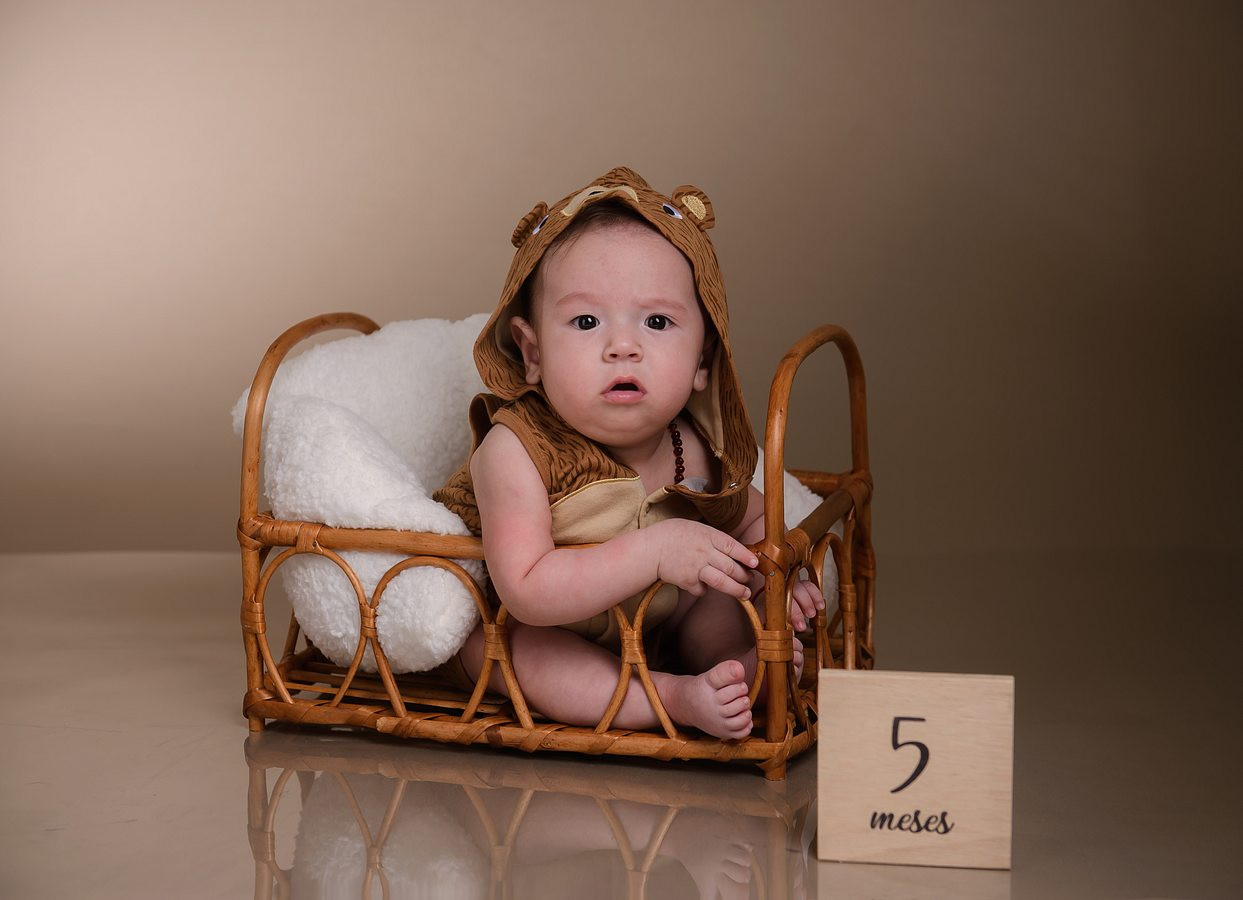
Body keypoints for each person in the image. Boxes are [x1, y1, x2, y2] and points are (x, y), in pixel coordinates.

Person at [435, 167, 822, 739]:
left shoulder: (692, 447)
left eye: (657, 321)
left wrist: (777, 577)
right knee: (520, 648)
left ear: (702, 360)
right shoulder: (515, 449)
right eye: (586, 321)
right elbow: (528, 588)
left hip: (654, 628)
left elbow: (754, 522)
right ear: (532, 353)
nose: (623, 347)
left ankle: (742, 671)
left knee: (724, 590)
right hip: (542, 628)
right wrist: (654, 552)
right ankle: (670, 699)